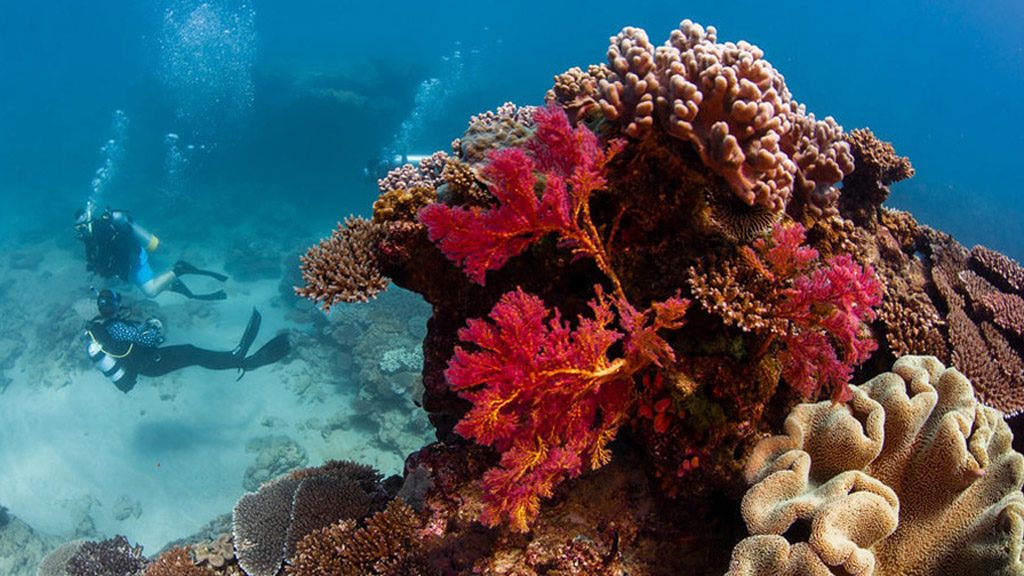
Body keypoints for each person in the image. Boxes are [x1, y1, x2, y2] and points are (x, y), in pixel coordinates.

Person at [84, 289, 290, 393]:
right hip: (150, 363)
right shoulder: (116, 327)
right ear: (115, 304)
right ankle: (239, 359)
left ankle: (242, 361)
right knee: (192, 353)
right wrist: (154, 327)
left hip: (144, 363)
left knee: (192, 353)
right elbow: (145, 340)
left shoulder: (104, 326)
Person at [74, 203, 228, 300]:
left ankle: (179, 270)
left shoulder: (102, 231)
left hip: (135, 262)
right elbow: (97, 257)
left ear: (88, 222)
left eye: (81, 228)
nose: (80, 233)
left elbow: (119, 250)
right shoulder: (92, 237)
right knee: (151, 289)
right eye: (77, 229)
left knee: (151, 293)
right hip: (128, 267)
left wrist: (106, 267)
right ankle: (173, 283)